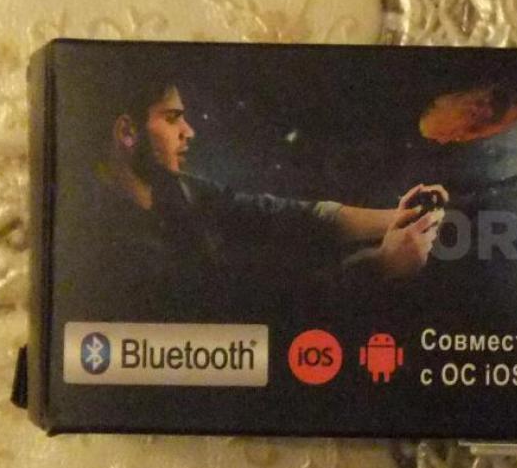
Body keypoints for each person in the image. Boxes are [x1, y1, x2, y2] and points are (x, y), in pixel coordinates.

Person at [72, 74, 445, 319]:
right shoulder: (103, 237)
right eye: (172, 118)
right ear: (127, 132)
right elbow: (249, 304)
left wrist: (397, 218)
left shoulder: (177, 189)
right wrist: (380, 266)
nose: (189, 131)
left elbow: (274, 216)